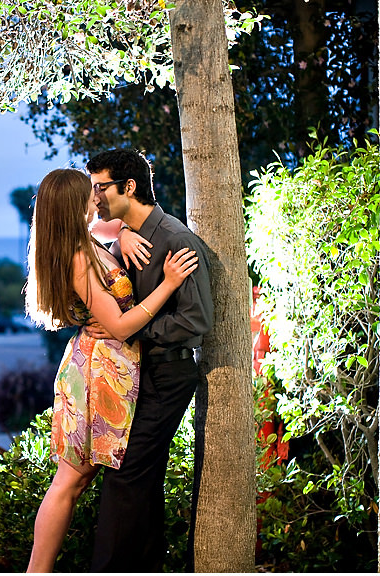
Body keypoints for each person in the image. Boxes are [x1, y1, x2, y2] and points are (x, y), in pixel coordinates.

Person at [24, 168, 199, 573]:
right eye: (91, 194)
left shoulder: (83, 241)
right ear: (75, 204)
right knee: (70, 481)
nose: (98, 198)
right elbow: (120, 326)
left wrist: (120, 235)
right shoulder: (78, 257)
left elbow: (115, 224)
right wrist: (169, 283)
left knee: (75, 480)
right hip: (97, 370)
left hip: (104, 364)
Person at [85, 149, 214, 572]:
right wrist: (119, 233)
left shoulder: (176, 240)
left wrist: (134, 331)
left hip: (167, 372)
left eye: (100, 187)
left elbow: (196, 319)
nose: (95, 196)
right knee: (139, 482)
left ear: (129, 186)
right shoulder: (128, 236)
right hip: (141, 373)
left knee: (125, 477)